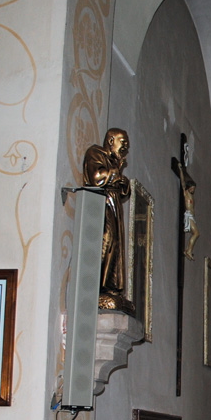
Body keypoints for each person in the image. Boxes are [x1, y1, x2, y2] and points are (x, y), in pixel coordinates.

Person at [83, 127, 132, 309]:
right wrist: (116, 173)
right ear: (111, 141)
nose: (125, 147)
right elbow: (97, 177)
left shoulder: (114, 162)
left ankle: (111, 287)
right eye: (123, 142)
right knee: (106, 240)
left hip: (114, 204)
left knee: (116, 245)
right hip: (102, 204)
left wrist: (123, 182)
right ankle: (98, 287)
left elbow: (124, 191)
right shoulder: (95, 153)